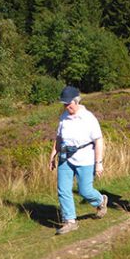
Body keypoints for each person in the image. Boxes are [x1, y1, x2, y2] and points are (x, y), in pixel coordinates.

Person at [48, 86, 108, 235]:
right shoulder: (63, 117)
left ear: (77, 101)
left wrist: (98, 163)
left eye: (69, 104)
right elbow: (59, 138)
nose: (67, 106)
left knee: (85, 190)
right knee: (63, 189)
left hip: (85, 158)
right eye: (64, 104)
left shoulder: (88, 118)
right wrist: (52, 155)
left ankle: (100, 201)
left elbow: (98, 141)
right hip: (65, 157)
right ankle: (70, 221)